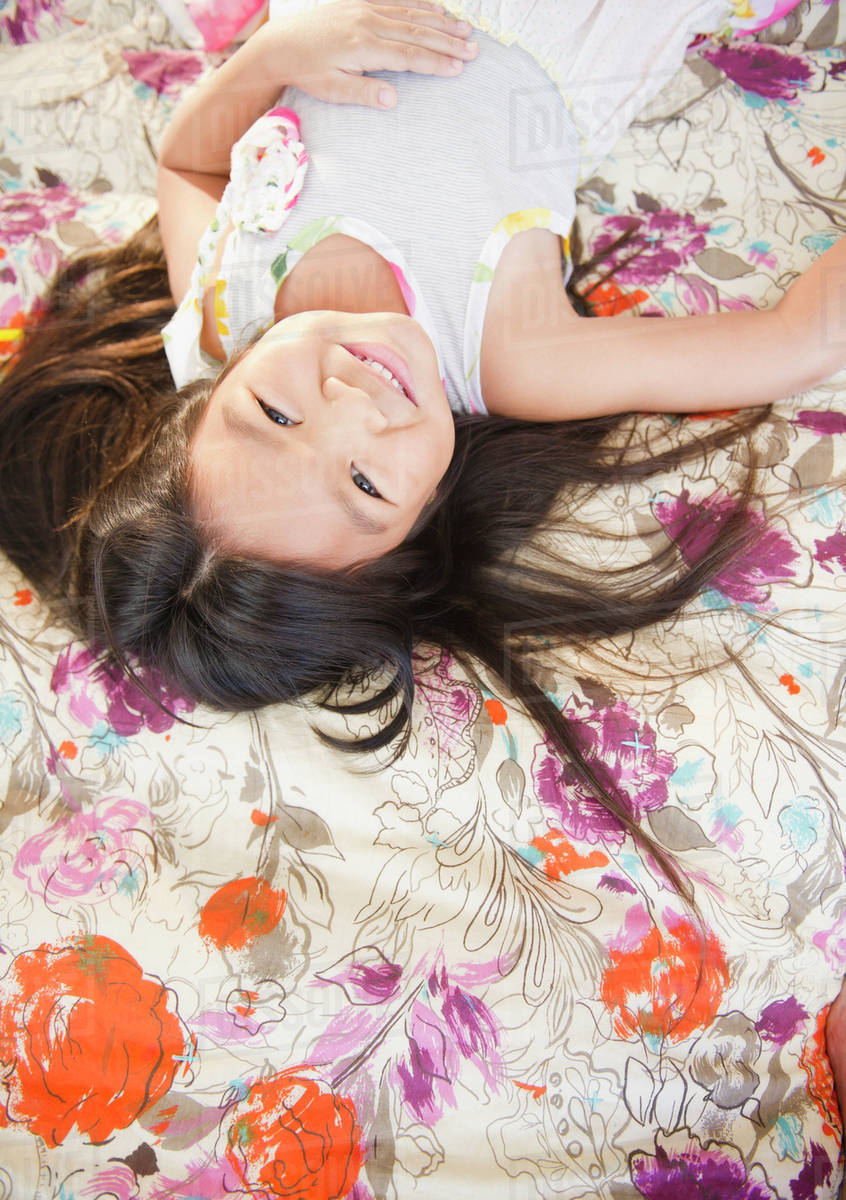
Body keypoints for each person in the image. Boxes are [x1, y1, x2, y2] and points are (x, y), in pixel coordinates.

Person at [0, 0, 843, 876]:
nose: (351, 402)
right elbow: (793, 340)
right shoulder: (512, 354)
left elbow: (186, 159)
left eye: (275, 415)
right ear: (417, 523)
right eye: (365, 482)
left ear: (200, 400)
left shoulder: (225, 306)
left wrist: (273, 55)